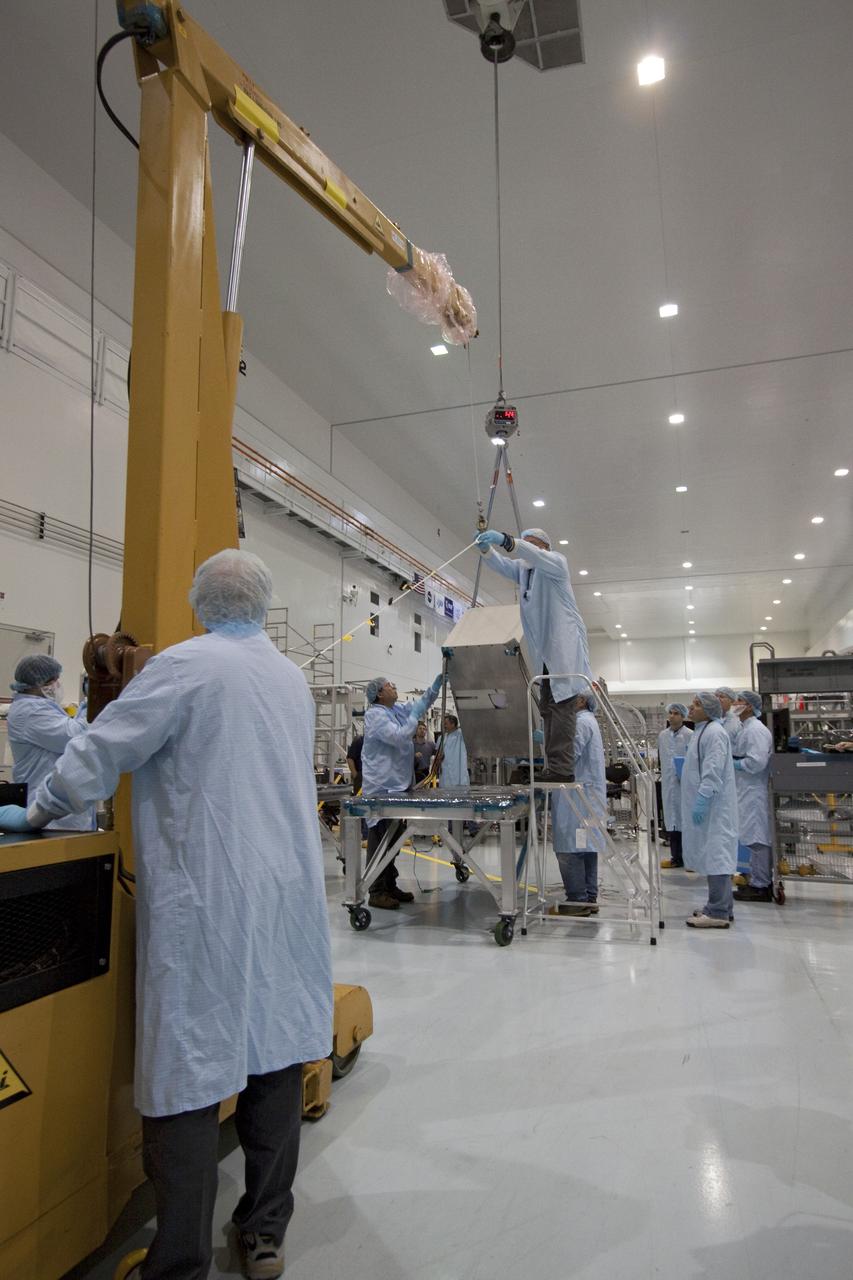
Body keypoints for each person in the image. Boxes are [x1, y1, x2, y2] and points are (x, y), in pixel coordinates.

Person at [18, 550, 332, 1280]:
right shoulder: (289, 679)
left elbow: (99, 752)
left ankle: (179, 1263)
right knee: (277, 1055)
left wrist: (38, 810)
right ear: (261, 602)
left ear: (200, 603)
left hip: (208, 900)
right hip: (283, 897)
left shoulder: (185, 667)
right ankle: (263, 1236)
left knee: (187, 1070)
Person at [475, 526, 592, 782]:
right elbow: (503, 565)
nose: (523, 547)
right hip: (546, 654)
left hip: (563, 648)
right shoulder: (525, 571)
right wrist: (486, 550)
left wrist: (507, 540)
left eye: (529, 543)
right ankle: (554, 766)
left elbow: (527, 553)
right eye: (522, 542)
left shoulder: (556, 563)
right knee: (548, 709)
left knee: (561, 709)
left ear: (544, 546)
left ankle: (562, 769)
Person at [361, 673, 442, 910]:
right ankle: (376, 892)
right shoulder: (375, 716)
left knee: (394, 839)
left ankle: (389, 885)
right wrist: (414, 717)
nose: (393, 686)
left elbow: (419, 705)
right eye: (388, 685)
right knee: (381, 841)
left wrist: (437, 683)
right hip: (382, 789)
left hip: (398, 787)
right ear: (378, 694)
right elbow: (398, 737)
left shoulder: (395, 711)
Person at [6, 654, 96, 831]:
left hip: (63, 815)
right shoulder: (30, 711)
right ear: (40, 684)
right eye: (53, 680)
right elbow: (76, 735)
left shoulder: (42, 707)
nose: (57, 685)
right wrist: (92, 703)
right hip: (51, 820)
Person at [682, 691, 739, 929]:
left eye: (697, 704)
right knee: (714, 854)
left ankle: (717, 911)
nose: (691, 708)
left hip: (715, 807)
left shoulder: (714, 733)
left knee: (717, 855)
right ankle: (721, 906)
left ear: (710, 709)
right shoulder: (702, 730)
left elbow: (713, 769)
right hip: (710, 806)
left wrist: (703, 798)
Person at [552, 693, 606, 915]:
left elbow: (568, 755)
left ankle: (576, 900)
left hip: (575, 797)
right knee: (586, 847)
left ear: (582, 701)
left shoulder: (580, 722)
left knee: (570, 848)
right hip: (587, 796)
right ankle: (589, 897)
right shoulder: (588, 720)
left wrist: (548, 748)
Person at [731, 689, 774, 902]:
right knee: (753, 837)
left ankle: (761, 886)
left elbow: (756, 763)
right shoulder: (745, 728)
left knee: (758, 839)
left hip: (754, 791)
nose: (735, 703)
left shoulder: (755, 729)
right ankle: (758, 880)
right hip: (746, 789)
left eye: (739, 701)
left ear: (749, 706)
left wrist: (734, 764)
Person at [658, 702, 693, 868]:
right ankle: (676, 858)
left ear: (683, 716)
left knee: (685, 822)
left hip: (685, 786)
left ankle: (690, 859)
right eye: (670, 713)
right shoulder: (662, 736)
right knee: (672, 821)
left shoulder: (690, 735)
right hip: (668, 785)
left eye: (676, 713)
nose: (672, 716)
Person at [438, 713, 469, 788]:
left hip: (457, 770)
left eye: (446, 724)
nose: (444, 726)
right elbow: (438, 753)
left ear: (453, 724)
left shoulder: (461, 735)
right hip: (445, 771)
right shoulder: (442, 738)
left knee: (458, 791)